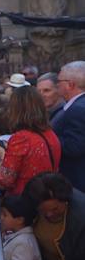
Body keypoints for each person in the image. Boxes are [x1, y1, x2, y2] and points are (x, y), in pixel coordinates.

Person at [0, 85, 61, 195]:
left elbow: (4, 181)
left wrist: (3, 156)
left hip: (26, 200)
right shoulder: (51, 133)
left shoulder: (21, 138)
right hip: (47, 197)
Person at [52, 61, 85, 191]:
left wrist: (46, 139)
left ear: (70, 84)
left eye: (59, 81)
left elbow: (74, 146)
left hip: (76, 180)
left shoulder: (78, 109)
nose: (57, 85)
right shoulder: (77, 105)